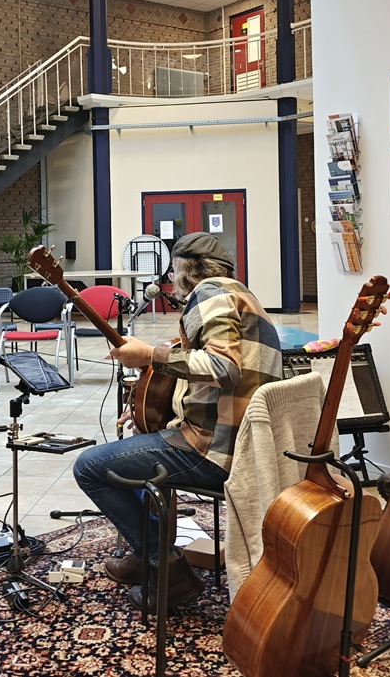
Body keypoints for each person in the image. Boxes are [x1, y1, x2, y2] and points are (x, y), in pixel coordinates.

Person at [72, 232, 283, 610]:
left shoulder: (210, 293)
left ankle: (167, 568)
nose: (171, 278)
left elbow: (223, 367)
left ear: (185, 271)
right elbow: (215, 379)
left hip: (215, 452)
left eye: (173, 270)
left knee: (90, 466)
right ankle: (145, 556)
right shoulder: (241, 295)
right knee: (134, 448)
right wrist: (148, 400)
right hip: (247, 446)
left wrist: (149, 355)